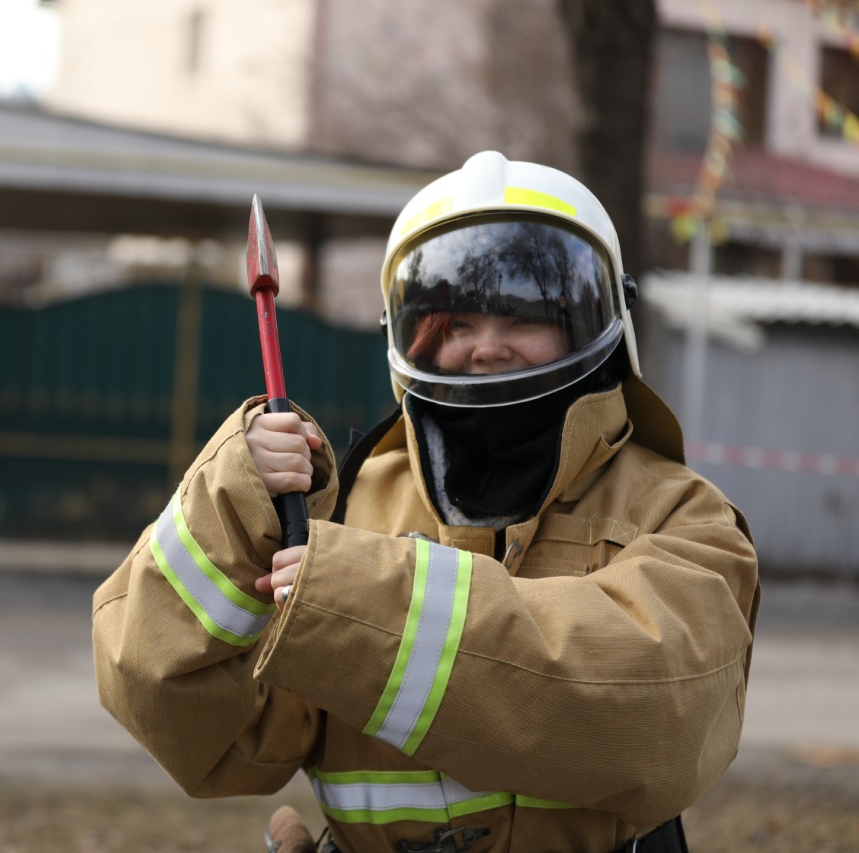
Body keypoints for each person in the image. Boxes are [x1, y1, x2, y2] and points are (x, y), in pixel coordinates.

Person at [92, 151, 759, 853]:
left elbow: (654, 719)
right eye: (459, 324)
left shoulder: (683, 515)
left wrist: (355, 599)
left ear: (594, 316)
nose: (489, 348)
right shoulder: (344, 507)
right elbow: (203, 732)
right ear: (406, 332)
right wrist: (230, 508)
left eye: (523, 316)